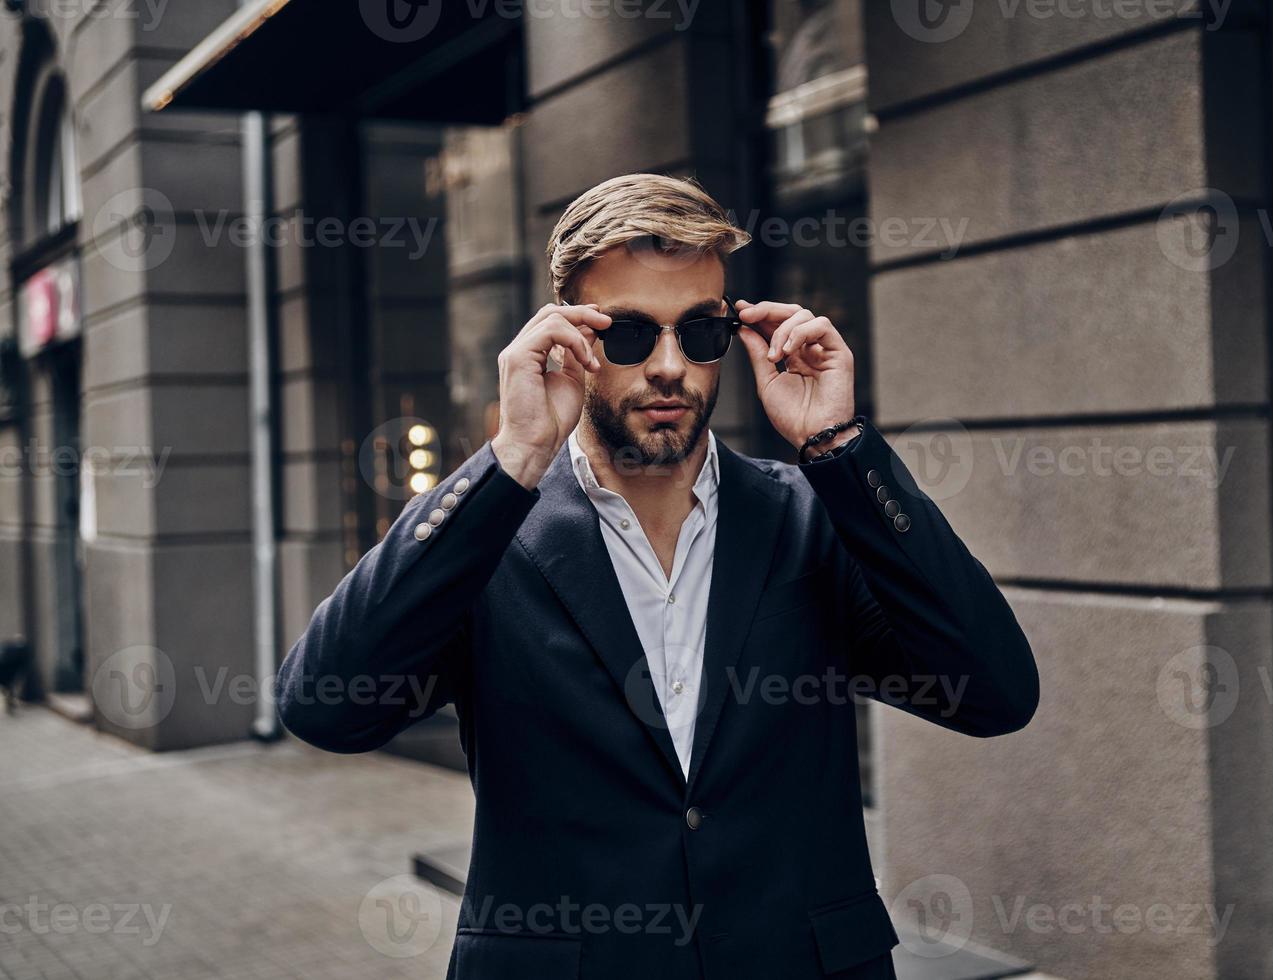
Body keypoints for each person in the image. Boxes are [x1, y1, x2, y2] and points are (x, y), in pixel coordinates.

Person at [278, 173, 1039, 979]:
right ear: (568, 334)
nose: (672, 366)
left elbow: (994, 693)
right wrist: (512, 460)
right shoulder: (489, 533)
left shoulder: (808, 519)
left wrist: (842, 451)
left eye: (701, 332)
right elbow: (325, 706)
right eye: (633, 334)